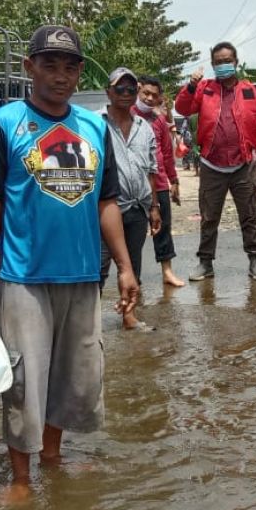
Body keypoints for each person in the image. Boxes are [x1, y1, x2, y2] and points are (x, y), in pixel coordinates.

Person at [0, 24, 139, 500]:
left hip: (83, 275)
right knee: (23, 380)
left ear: (80, 71)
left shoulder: (95, 129)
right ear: (29, 68)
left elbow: (107, 203)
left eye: (69, 66)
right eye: (49, 64)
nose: (60, 76)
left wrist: (124, 266)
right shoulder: (4, 124)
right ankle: (21, 479)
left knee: (72, 376)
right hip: (24, 277)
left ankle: (53, 457)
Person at [174, 41, 256, 282]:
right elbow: (182, 107)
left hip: (242, 166)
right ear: (212, 65)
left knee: (249, 215)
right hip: (211, 166)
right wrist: (191, 85)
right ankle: (205, 263)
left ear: (236, 62)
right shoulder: (204, 89)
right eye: (218, 62)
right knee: (209, 217)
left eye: (227, 60)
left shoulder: (249, 91)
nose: (223, 65)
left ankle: (255, 260)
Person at [98, 68, 160, 331]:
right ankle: (89, 318)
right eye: (119, 89)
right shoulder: (95, 123)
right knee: (98, 267)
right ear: (108, 92)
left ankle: (129, 316)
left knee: (132, 266)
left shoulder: (144, 127)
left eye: (131, 89)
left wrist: (154, 207)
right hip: (103, 207)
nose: (125, 94)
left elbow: (151, 169)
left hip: (137, 206)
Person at [135, 75, 185, 288]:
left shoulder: (159, 122)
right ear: (138, 91)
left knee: (163, 229)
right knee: (134, 234)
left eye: (154, 95)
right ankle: (133, 277)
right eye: (145, 93)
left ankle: (167, 271)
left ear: (159, 99)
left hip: (160, 183)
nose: (149, 98)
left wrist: (174, 181)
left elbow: (166, 154)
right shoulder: (126, 116)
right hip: (134, 185)